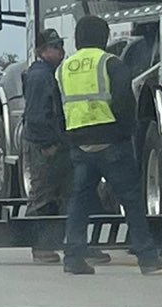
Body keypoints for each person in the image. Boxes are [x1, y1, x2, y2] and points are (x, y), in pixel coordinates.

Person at [57, 15, 162, 276]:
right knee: (131, 201)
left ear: (77, 39)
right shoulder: (111, 63)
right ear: (104, 38)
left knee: (79, 203)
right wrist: (125, 133)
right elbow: (124, 102)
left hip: (79, 144)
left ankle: (73, 258)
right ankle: (147, 257)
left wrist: (69, 139)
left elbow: (58, 109)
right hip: (111, 143)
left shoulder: (64, 68)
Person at [19, 29, 107, 266]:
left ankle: (79, 245)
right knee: (43, 196)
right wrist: (48, 145)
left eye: (60, 45)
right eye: (55, 46)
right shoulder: (40, 76)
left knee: (74, 195)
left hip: (61, 146)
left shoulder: (51, 73)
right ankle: (40, 247)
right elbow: (36, 117)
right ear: (42, 50)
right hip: (45, 147)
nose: (61, 50)